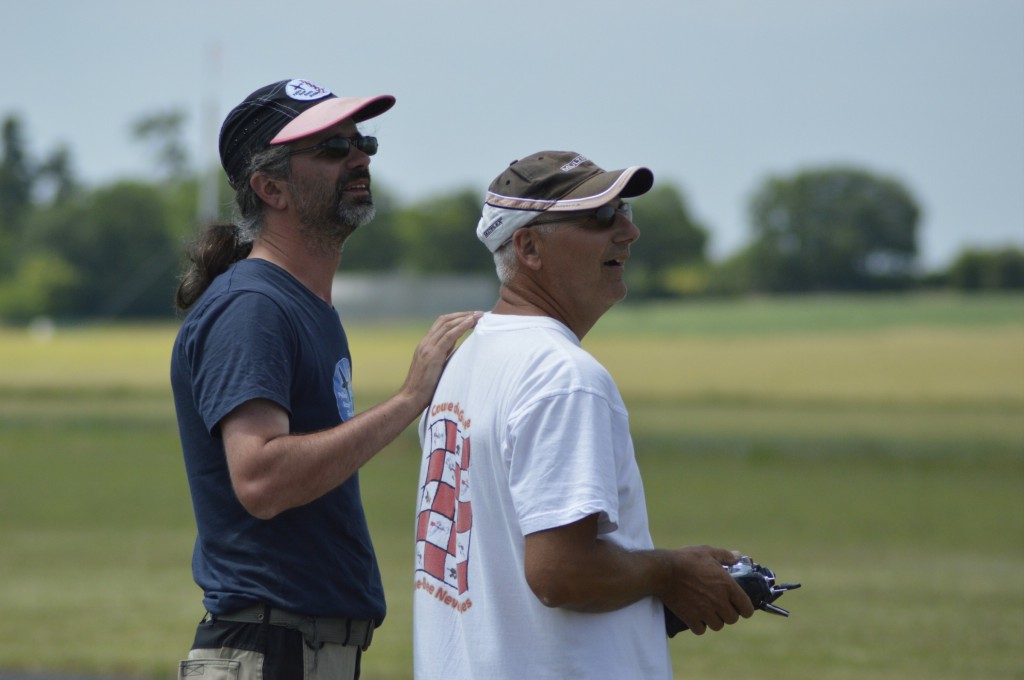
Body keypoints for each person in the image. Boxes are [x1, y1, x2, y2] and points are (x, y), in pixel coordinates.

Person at [170, 78, 479, 680]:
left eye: (361, 141)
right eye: (332, 148)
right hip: (271, 650)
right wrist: (411, 399)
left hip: (296, 650)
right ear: (270, 187)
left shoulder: (301, 304)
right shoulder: (253, 306)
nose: (359, 156)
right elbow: (260, 479)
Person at [412, 151, 755, 679]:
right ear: (528, 246)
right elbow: (562, 574)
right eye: (598, 217)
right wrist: (673, 572)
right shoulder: (562, 375)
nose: (626, 232)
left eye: (624, 211)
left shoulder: (466, 356)